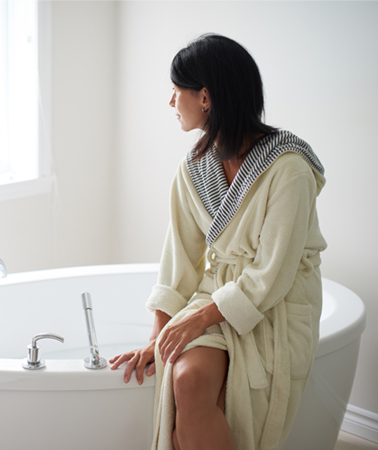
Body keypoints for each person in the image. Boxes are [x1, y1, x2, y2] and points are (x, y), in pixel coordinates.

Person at [110, 34, 327, 450]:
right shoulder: (194, 168)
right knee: (186, 380)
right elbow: (179, 261)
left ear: (205, 96)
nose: (171, 103)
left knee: (186, 423)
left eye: (177, 92)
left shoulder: (289, 170)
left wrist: (196, 319)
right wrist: (157, 340)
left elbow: (272, 273)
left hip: (275, 304)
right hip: (219, 300)